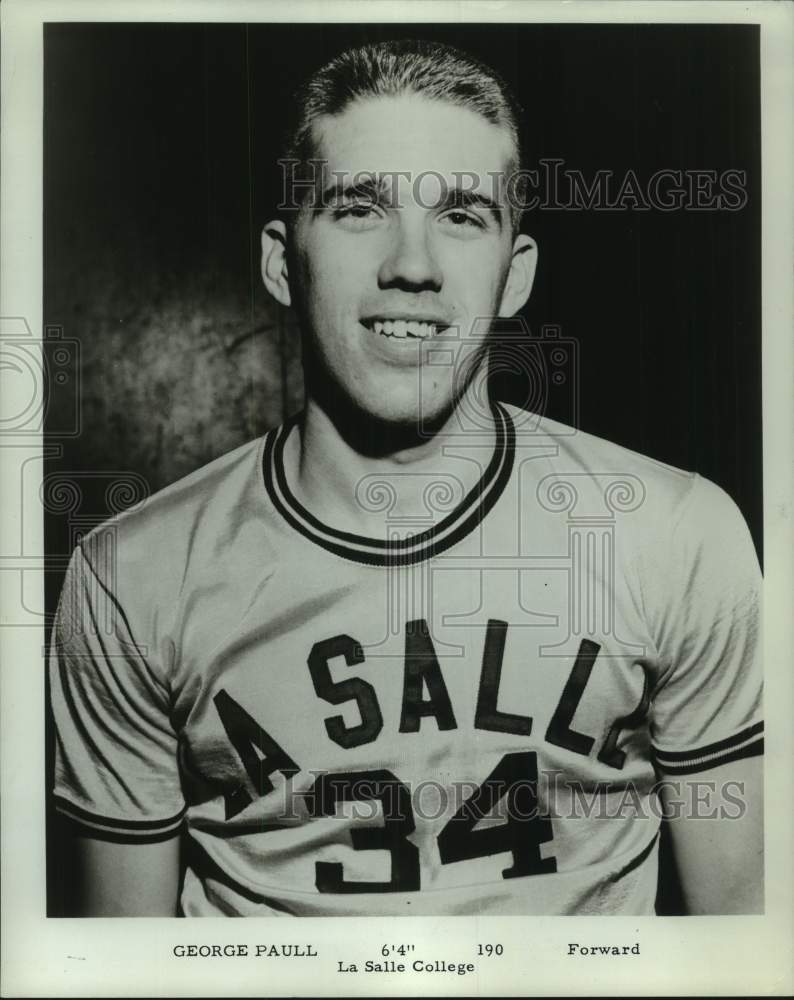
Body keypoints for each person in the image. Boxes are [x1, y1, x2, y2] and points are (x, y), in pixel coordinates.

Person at [49, 38, 763, 916]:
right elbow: (116, 963)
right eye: (359, 208)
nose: (412, 265)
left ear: (515, 275)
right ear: (282, 261)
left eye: (462, 216)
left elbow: (744, 929)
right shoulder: (130, 577)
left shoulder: (680, 534)